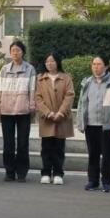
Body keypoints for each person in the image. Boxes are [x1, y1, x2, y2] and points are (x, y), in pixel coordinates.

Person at [76, 56, 110, 193]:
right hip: (91, 124)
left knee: (107, 154)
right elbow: (82, 103)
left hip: (107, 124)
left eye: (99, 64)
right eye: (94, 64)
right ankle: (93, 180)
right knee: (93, 154)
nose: (96, 67)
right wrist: (81, 121)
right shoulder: (87, 82)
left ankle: (107, 182)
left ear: (106, 66)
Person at [0, 40, 36, 182]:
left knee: (23, 143)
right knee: (8, 143)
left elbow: (32, 89)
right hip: (6, 110)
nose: (15, 53)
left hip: (23, 111)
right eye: (13, 51)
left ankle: (22, 172)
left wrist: (32, 106)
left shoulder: (30, 69)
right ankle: (9, 171)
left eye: (18, 50)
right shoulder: (4, 69)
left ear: (23, 52)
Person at [35, 52, 74, 185]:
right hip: (46, 118)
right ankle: (46, 173)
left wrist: (61, 112)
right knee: (46, 147)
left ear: (57, 62)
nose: (49, 64)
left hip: (61, 118)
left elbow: (70, 96)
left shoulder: (66, 78)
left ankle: (58, 173)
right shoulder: (40, 78)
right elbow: (37, 98)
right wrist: (48, 113)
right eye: (47, 61)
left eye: (52, 61)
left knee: (59, 147)